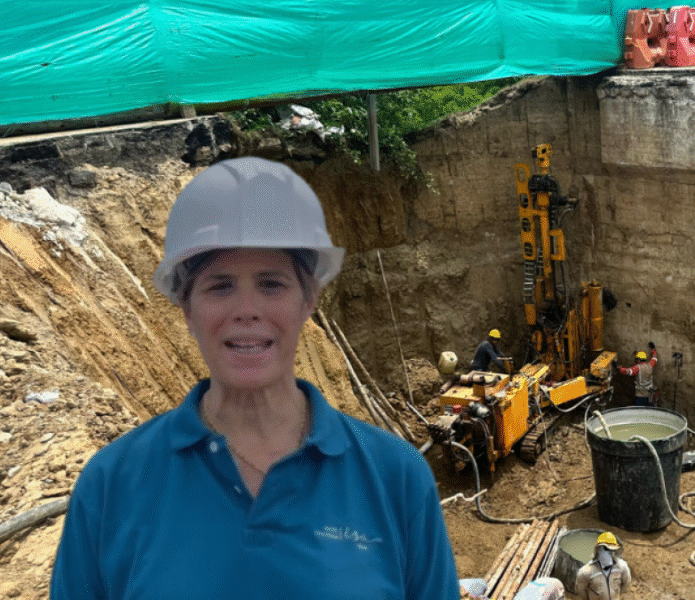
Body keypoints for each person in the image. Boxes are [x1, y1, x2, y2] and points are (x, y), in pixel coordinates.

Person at [50, 157, 460, 599]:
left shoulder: (396, 477)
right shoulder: (113, 485)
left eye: (271, 283)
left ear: (310, 300)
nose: (246, 310)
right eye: (220, 286)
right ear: (187, 309)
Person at [575, 531, 631, 600]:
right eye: (607, 549)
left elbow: (626, 582)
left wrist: (616, 596)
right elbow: (581, 590)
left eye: (613, 550)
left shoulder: (622, 566)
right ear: (599, 549)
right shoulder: (586, 572)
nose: (611, 553)